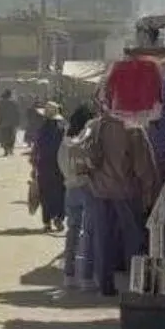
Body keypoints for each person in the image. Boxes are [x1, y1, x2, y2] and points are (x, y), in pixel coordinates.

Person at [85, 109, 159, 296]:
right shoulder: (132, 129)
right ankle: (136, 284)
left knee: (103, 239)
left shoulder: (94, 126)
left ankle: (105, 284)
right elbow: (143, 166)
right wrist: (151, 192)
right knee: (133, 240)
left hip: (99, 191)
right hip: (126, 192)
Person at [58, 104, 97, 290]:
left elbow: (60, 163)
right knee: (89, 233)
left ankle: (69, 273)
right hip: (87, 188)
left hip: (70, 188)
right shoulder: (88, 140)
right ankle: (86, 277)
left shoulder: (66, 141)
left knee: (72, 231)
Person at [31, 102, 67, 232]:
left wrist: (33, 165)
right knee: (60, 191)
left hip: (44, 164)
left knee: (45, 193)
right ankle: (59, 217)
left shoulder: (42, 128)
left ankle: (47, 222)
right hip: (61, 164)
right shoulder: (64, 127)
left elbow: (36, 148)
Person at [0, 90, 21, 156]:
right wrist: (18, 122)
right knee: (12, 137)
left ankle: (6, 150)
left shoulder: (0, 102)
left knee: (4, 137)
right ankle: (11, 149)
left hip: (4, 122)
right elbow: (17, 112)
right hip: (13, 123)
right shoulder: (14, 102)